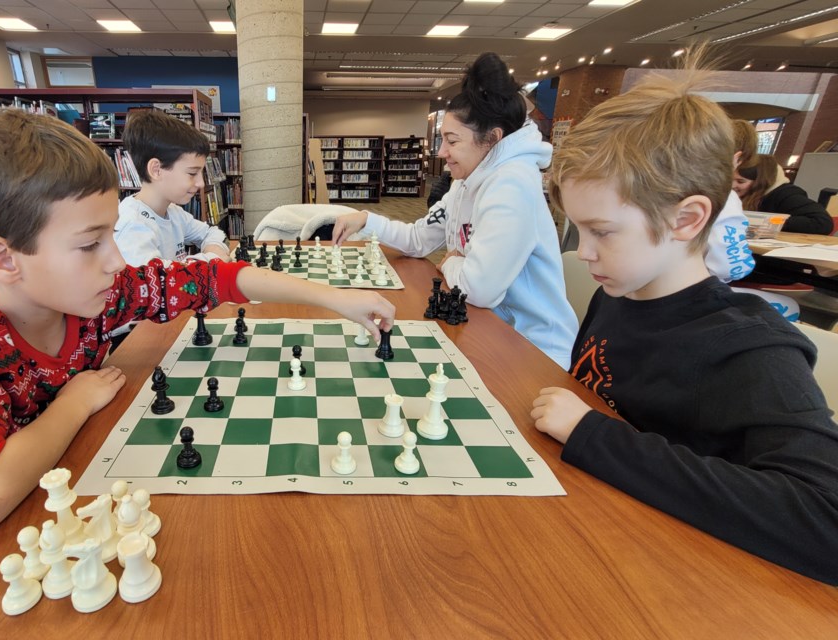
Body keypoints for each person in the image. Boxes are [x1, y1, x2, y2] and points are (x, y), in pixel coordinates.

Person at [0, 109, 395, 570]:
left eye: (111, 234)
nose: (115, 260)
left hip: (67, 506)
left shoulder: (98, 292)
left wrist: (339, 299)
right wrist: (73, 402)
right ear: (3, 259)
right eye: (91, 244)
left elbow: (220, 279)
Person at [530, 64, 838, 584]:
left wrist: (596, 436)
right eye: (579, 229)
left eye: (602, 231)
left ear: (687, 219)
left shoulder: (750, 350)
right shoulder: (620, 290)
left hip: (692, 584)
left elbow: (826, 523)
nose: (582, 252)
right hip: (604, 537)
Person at [332, 52, 577, 368]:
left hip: (533, 348)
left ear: (491, 139)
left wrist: (450, 263)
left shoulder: (512, 186)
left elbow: (479, 289)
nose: (442, 152)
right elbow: (420, 239)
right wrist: (367, 219)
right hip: (487, 327)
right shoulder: (466, 181)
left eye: (452, 141)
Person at [114, 109, 231, 266]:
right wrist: (211, 259)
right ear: (156, 170)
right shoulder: (133, 227)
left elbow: (212, 232)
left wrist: (213, 249)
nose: (201, 183)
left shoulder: (174, 213)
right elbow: (159, 282)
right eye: (192, 173)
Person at [733, 154, 834, 235]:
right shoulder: (737, 195)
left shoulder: (786, 194)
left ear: (760, 182)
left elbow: (823, 222)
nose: (732, 186)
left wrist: (768, 222)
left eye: (740, 182)